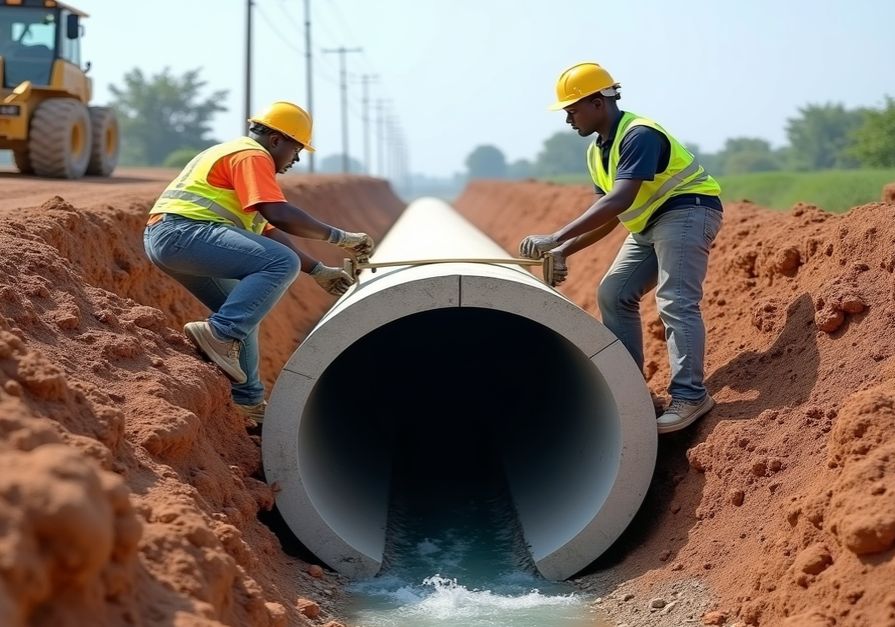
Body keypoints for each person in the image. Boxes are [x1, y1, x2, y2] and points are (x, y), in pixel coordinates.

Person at [519, 63, 723, 434]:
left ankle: (691, 395)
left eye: (572, 110)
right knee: (613, 293)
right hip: (648, 225)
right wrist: (565, 249)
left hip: (687, 211)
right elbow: (611, 216)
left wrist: (556, 235)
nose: (568, 120)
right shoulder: (597, 152)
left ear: (598, 102)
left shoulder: (638, 135)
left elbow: (620, 198)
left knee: (676, 298)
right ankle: (629, 393)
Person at [144, 101, 373, 429]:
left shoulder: (239, 160)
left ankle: (248, 403)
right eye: (296, 148)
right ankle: (219, 333)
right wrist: (340, 237)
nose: (295, 159)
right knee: (278, 268)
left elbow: (268, 230)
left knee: (243, 308)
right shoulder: (252, 156)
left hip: (170, 239)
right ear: (277, 140)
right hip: (184, 234)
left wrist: (319, 271)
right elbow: (279, 215)